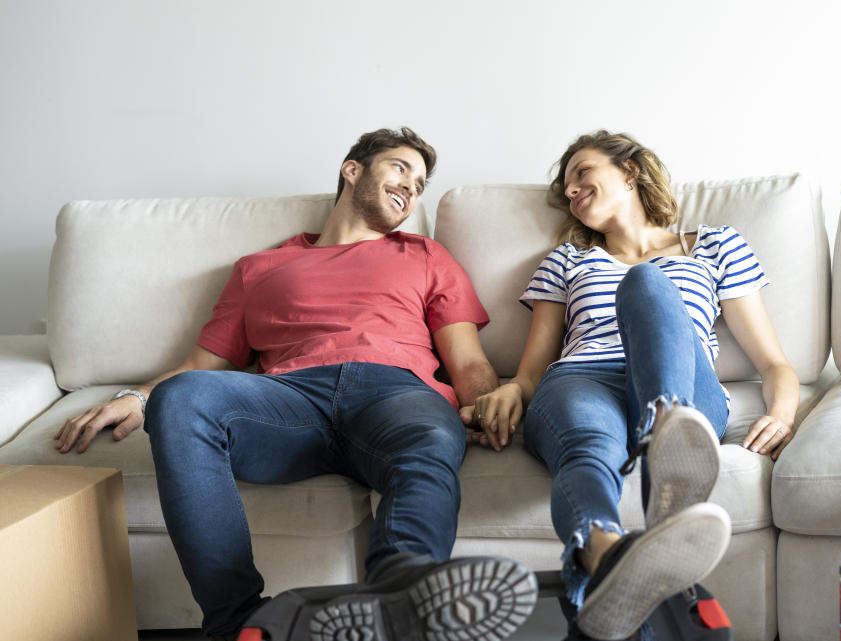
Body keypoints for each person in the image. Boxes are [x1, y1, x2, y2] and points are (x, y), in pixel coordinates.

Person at [53, 127, 537, 641]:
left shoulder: (424, 255)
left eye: (419, 183)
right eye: (400, 168)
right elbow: (201, 363)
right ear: (353, 170)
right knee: (181, 397)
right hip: (287, 402)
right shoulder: (259, 268)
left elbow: (467, 361)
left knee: (431, 438)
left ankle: (397, 606)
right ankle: (240, 622)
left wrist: (485, 405)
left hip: (396, 395)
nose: (411, 188)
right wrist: (137, 396)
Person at [465, 131, 799, 641]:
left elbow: (774, 362)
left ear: (630, 171)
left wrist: (783, 413)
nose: (573, 192)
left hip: (683, 386)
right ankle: (608, 559)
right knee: (586, 448)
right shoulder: (566, 260)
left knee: (644, 281)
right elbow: (532, 370)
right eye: (567, 189)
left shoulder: (712, 245)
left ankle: (669, 433)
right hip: (583, 378)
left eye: (583, 173)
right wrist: (511, 390)